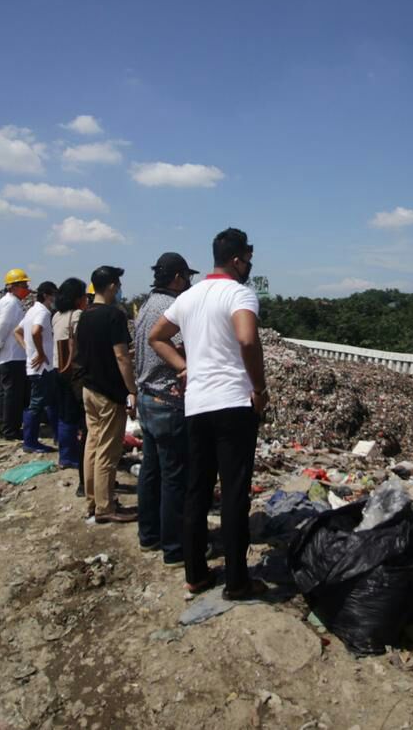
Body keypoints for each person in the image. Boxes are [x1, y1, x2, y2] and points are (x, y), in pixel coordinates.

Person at [149, 228, 269, 600]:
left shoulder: (189, 297)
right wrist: (260, 389)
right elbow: (248, 339)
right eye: (248, 259)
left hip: (197, 406)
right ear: (237, 259)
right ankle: (236, 581)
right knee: (234, 494)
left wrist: (184, 368)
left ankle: (196, 575)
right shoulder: (239, 293)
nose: (249, 266)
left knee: (196, 490)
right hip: (234, 403)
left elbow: (157, 336)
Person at [133, 252, 198, 566]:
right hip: (167, 400)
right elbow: (183, 346)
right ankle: (174, 549)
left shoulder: (146, 304)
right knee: (174, 476)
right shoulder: (173, 308)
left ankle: (149, 536)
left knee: (151, 470)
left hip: (146, 398)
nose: (189, 284)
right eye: (187, 278)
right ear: (177, 278)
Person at [74, 266, 137, 524]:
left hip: (89, 388)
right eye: (118, 284)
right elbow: (121, 355)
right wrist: (131, 389)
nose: (120, 289)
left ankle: (92, 500)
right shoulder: (114, 316)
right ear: (111, 286)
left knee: (92, 444)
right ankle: (105, 507)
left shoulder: (85, 315)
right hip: (109, 391)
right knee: (108, 451)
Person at [53, 277, 89, 491]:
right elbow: (80, 344)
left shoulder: (57, 315)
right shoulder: (77, 316)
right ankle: (77, 457)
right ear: (78, 298)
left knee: (65, 415)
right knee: (82, 416)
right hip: (73, 371)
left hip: (58, 370)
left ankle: (66, 454)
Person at [0, 269, 30, 441]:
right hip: (11, 356)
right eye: (23, 285)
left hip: (11, 355)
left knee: (7, 394)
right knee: (12, 395)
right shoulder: (10, 304)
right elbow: (1, 328)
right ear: (13, 286)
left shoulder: (10, 302)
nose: (26, 288)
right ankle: (10, 430)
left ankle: (6, 428)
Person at [19, 281, 59, 453]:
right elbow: (35, 332)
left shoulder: (31, 311)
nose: (55, 298)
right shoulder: (42, 312)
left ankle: (57, 434)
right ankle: (30, 441)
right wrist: (40, 353)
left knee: (50, 401)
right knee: (37, 404)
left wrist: (29, 350)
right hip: (42, 367)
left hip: (38, 365)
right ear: (46, 296)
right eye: (53, 295)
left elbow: (17, 331)